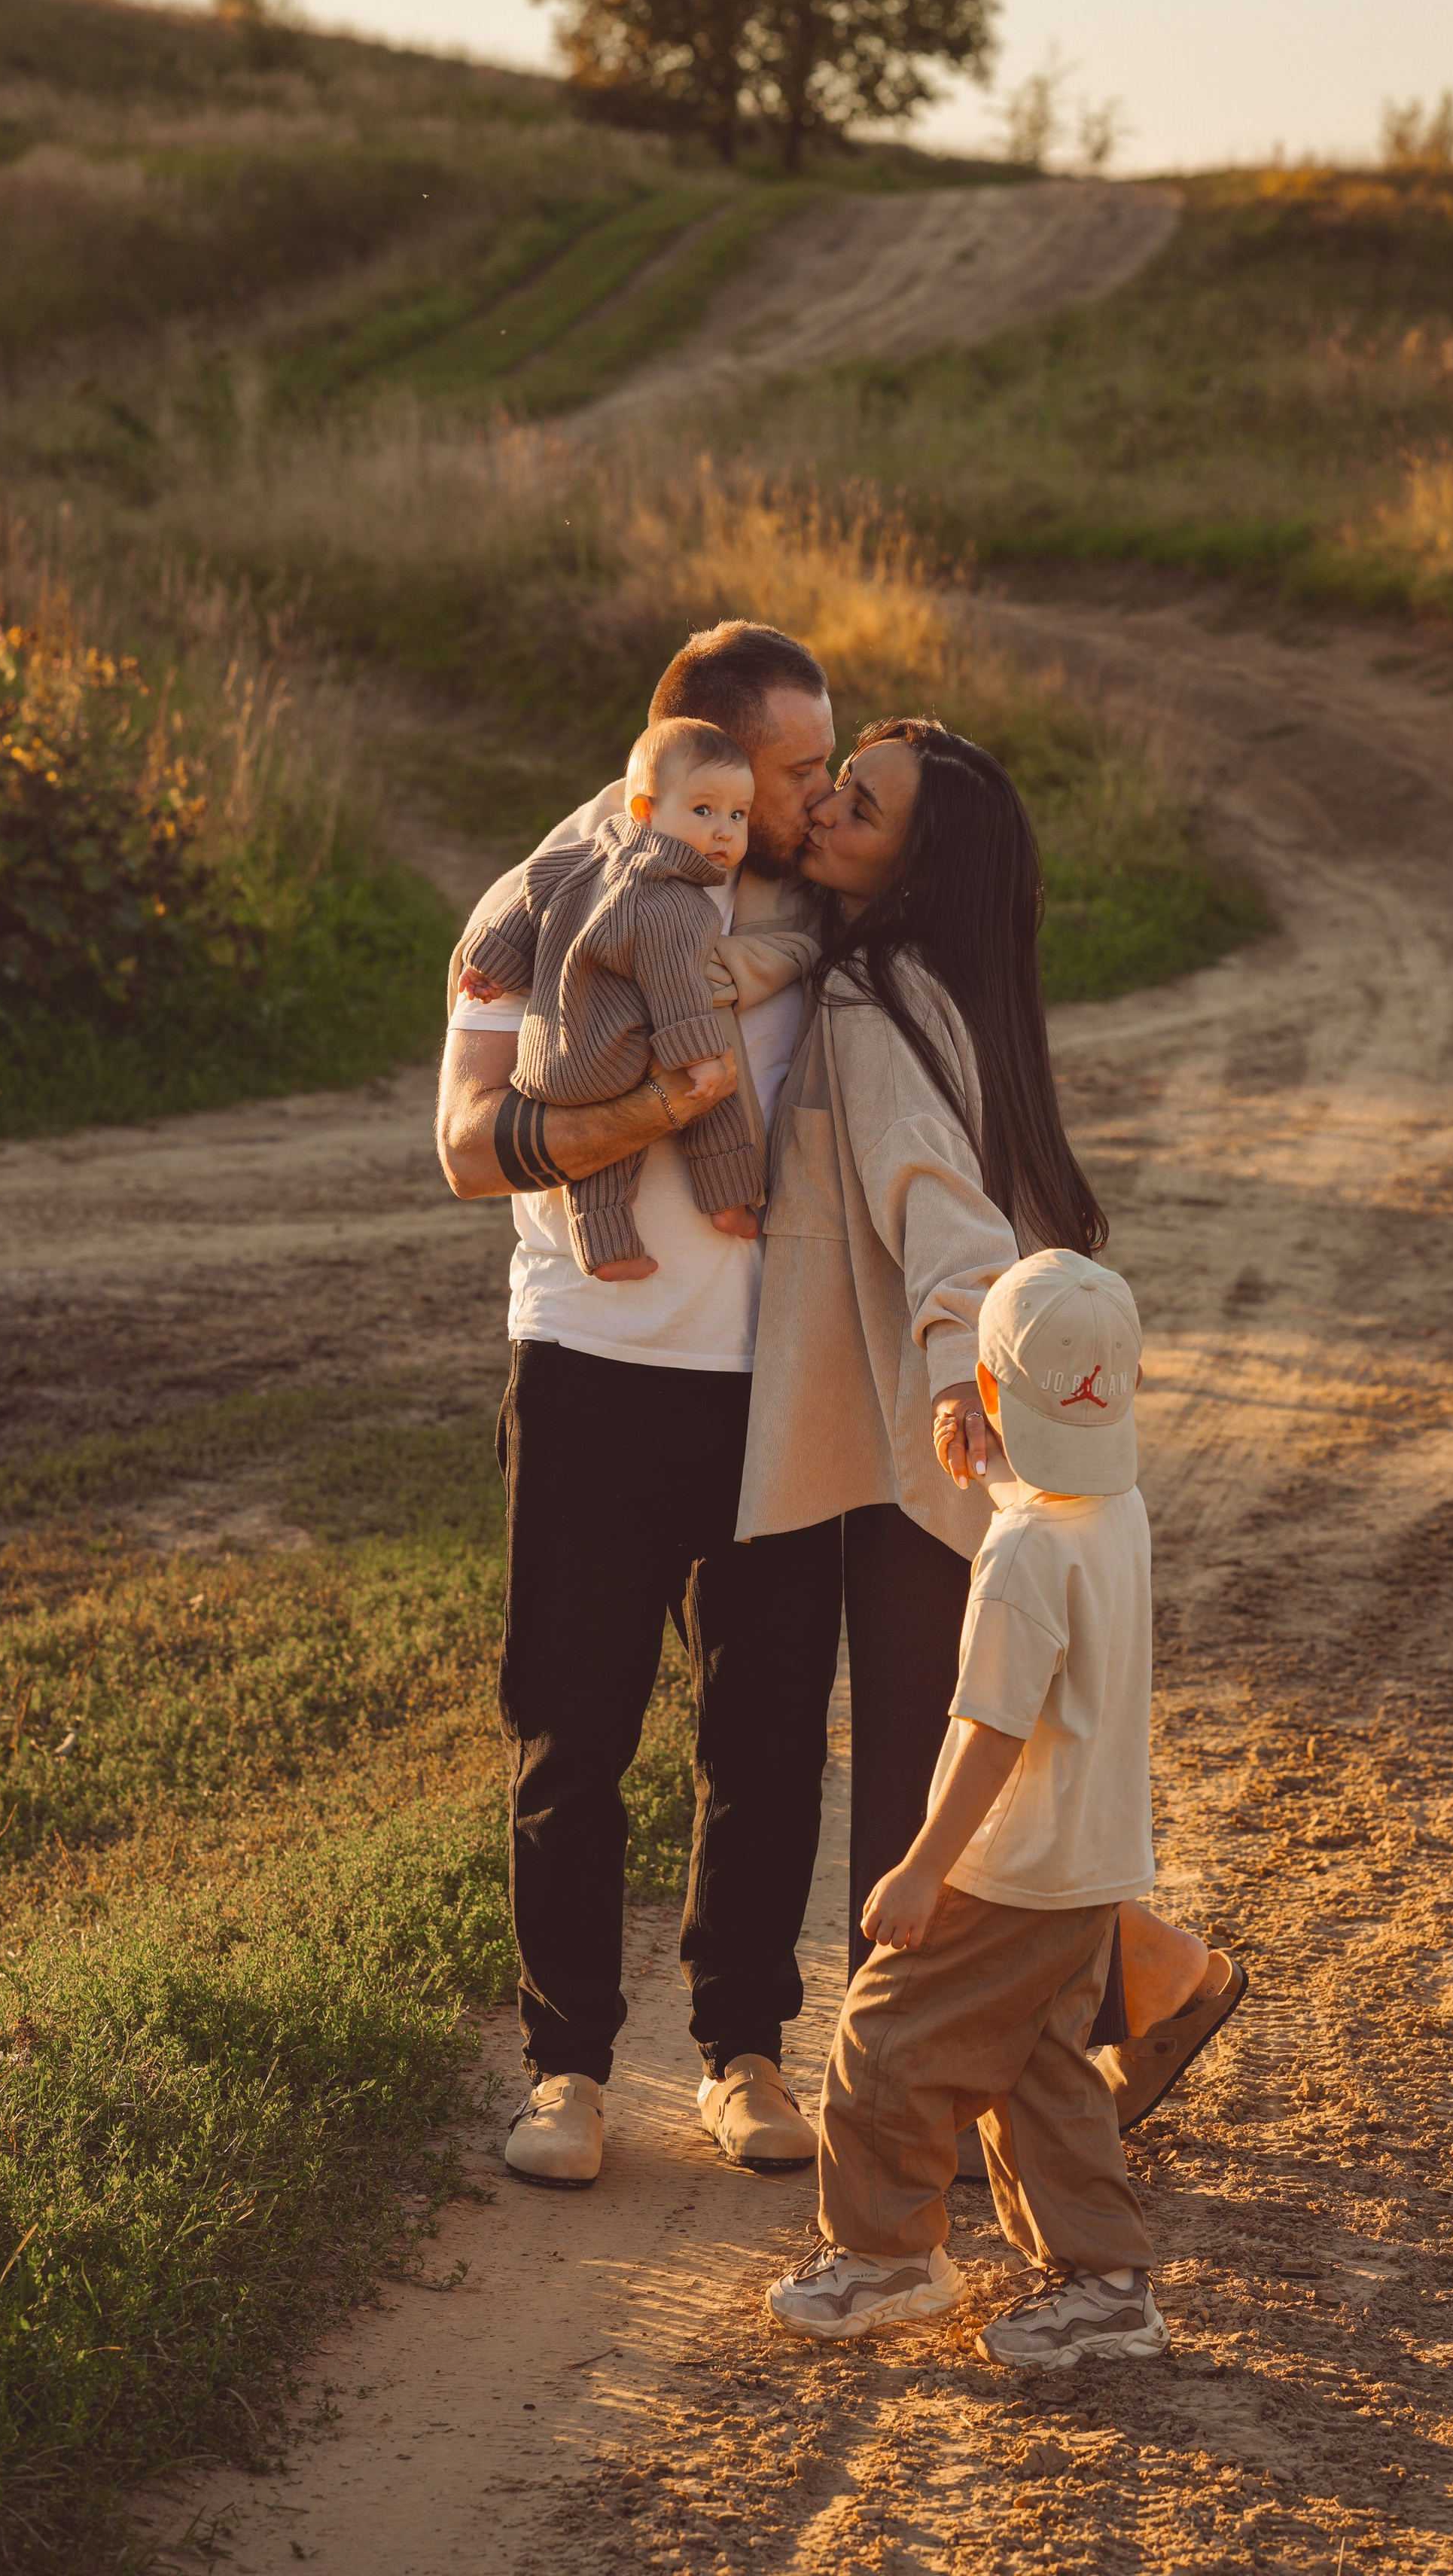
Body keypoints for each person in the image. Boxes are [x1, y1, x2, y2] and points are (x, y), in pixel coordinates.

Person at [736, 718, 1243, 2133]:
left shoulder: (873, 998)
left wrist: (959, 1371)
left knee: (928, 1767)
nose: (831, 810)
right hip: (995, 1415)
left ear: (918, 864)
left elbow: (937, 1205)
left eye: (865, 805)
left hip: (943, 1427)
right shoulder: (953, 988)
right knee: (996, 1751)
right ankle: (1152, 1974)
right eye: (838, 789)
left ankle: (921, 2101)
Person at [434, 622, 842, 2189]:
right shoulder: (539, 904)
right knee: (570, 1727)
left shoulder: (825, 905)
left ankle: (746, 2055)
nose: (815, 794)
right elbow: (469, 1150)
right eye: (796, 767)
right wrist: (648, 1114)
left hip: (781, 1380)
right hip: (592, 1369)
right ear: (701, 756)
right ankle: (568, 2075)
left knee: (762, 1734)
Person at [766, 1248, 1177, 2367]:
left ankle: (888, 2257)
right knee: (1039, 2075)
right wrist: (1001, 1471)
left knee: (884, 2041)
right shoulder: (1115, 1509)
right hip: (1092, 1862)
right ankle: (1106, 2284)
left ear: (987, 1392)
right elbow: (1056, 1505)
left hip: (1009, 1868)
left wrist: (922, 1870)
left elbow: (988, 1732)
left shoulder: (1017, 1562)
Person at [455, 717, 815, 1278]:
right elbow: (678, 992)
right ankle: (728, 1202)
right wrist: (700, 1059)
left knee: (602, 1165)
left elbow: (528, 898)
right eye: (703, 811)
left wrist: (489, 964)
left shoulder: (582, 857)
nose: (724, 832)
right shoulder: (676, 904)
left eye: (737, 815)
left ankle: (606, 1248)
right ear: (644, 810)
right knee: (711, 1101)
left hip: (552, 1059)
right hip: (614, 1058)